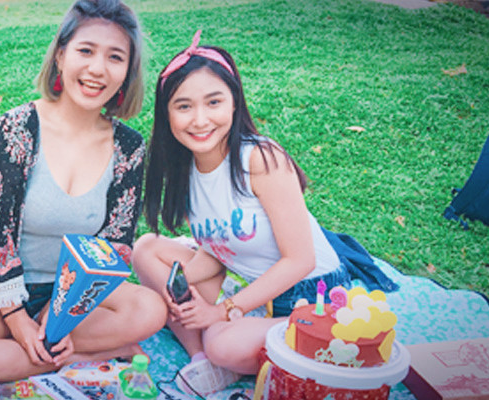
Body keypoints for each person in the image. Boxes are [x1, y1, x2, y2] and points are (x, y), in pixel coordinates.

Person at [131, 30, 392, 396]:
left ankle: (223, 351)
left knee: (224, 344)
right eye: (184, 106)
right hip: (246, 280)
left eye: (213, 102)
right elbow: (218, 246)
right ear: (167, 114)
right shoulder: (184, 169)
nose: (200, 120)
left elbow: (300, 260)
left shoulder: (261, 159)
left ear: (234, 103)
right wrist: (177, 284)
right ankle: (201, 358)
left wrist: (222, 310)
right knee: (146, 250)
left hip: (307, 295)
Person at [0, 0, 166, 384]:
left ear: (128, 71)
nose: (97, 69)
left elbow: (114, 245)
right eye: (86, 51)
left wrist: (65, 317)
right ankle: (91, 353)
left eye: (115, 57)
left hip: (77, 298)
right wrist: (19, 322)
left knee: (151, 309)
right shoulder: (15, 129)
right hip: (4, 294)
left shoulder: (129, 148)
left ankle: (49, 348)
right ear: (60, 56)